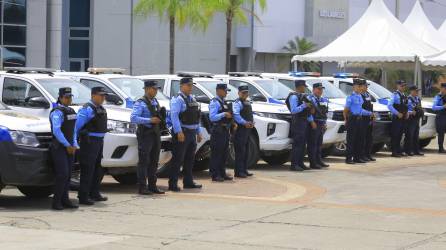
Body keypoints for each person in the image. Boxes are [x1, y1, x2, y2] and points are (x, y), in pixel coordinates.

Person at [130, 80, 165, 195]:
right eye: (154, 89)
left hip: (155, 133)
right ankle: (142, 187)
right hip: (145, 134)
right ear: (147, 89)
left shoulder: (155, 101)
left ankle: (152, 185)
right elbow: (133, 118)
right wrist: (149, 120)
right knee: (144, 161)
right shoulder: (140, 103)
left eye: (156, 89)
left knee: (154, 161)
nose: (156, 91)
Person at [75, 86, 109, 205]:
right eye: (101, 95)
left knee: (98, 169)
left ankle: (94, 193)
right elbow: (77, 127)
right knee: (88, 170)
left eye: (104, 96)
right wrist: (74, 142)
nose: (103, 98)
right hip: (89, 142)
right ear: (93, 95)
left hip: (99, 142)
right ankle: (83, 196)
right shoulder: (87, 109)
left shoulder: (100, 108)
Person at [169, 77, 203, 191]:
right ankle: (172, 184)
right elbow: (174, 116)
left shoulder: (192, 99)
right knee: (178, 159)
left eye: (191, 85)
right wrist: (179, 131)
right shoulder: (178, 99)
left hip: (192, 133)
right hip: (183, 132)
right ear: (181, 86)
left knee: (190, 159)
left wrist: (199, 132)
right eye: (188, 85)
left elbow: (196, 117)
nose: (190, 87)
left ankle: (188, 181)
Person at [49, 88, 79, 210]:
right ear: (60, 98)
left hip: (70, 147)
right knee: (62, 174)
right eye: (66, 97)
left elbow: (74, 130)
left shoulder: (71, 110)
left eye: (70, 97)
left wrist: (74, 144)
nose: (69, 99)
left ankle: (65, 200)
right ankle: (56, 202)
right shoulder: (57, 112)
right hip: (60, 147)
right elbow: (57, 130)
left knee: (68, 176)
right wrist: (67, 145)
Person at [285, 80, 313, 171]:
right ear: (299, 86)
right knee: (297, 144)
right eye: (303, 86)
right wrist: (304, 106)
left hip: (303, 121)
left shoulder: (302, 96)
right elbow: (293, 110)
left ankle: (300, 163)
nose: (304, 88)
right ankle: (294, 164)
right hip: (297, 122)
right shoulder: (293, 97)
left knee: (302, 144)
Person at [344, 78, 373, 164]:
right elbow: (346, 110)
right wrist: (346, 120)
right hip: (352, 119)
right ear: (354, 87)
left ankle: (357, 157)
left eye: (361, 86)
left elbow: (361, 110)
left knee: (359, 139)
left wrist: (369, 113)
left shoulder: (360, 96)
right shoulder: (350, 97)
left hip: (359, 119)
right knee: (351, 140)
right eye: (358, 86)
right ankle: (348, 158)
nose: (360, 88)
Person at [209, 83, 234, 182]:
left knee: (224, 153)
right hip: (217, 130)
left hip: (224, 130)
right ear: (219, 91)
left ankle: (222, 173)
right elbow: (212, 117)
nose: (226, 93)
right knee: (217, 153)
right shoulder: (215, 102)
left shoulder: (224, 102)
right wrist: (224, 114)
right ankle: (215, 175)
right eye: (225, 91)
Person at [233, 85, 255, 177]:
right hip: (241, 130)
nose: (245, 94)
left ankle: (244, 169)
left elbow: (249, 114)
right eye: (243, 93)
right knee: (240, 152)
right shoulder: (237, 103)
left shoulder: (247, 102)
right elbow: (236, 115)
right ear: (239, 93)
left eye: (246, 92)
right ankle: (239, 171)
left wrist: (252, 122)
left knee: (246, 151)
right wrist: (244, 123)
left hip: (248, 130)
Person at [307, 82, 330, 169]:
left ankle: (318, 160)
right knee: (313, 144)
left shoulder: (322, 99)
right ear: (313, 90)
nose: (320, 91)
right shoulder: (310, 99)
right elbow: (308, 112)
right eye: (319, 89)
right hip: (314, 123)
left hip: (321, 123)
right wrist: (312, 122)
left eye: (321, 89)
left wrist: (324, 123)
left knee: (319, 144)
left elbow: (324, 112)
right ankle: (313, 163)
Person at [388, 80, 409, 157]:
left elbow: (405, 105)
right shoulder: (394, 94)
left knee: (400, 135)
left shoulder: (404, 95)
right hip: (397, 117)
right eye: (401, 86)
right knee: (395, 135)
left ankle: (398, 150)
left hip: (403, 117)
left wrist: (407, 113)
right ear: (397, 86)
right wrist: (397, 113)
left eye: (404, 86)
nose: (403, 87)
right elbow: (389, 105)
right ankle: (394, 151)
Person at [405, 85, 424, 156]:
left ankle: (416, 150)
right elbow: (406, 109)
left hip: (417, 119)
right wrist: (411, 112)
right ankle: (408, 151)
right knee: (410, 135)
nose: (417, 92)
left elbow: (419, 107)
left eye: (417, 91)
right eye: (416, 91)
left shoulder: (418, 99)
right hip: (410, 119)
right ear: (411, 91)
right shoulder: (408, 99)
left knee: (416, 135)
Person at [360, 81, 376, 162]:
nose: (367, 87)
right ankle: (362, 155)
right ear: (361, 86)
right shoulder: (359, 96)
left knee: (369, 138)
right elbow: (360, 109)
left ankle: (368, 154)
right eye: (365, 86)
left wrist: (372, 115)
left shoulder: (368, 95)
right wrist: (369, 113)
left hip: (369, 118)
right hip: (363, 118)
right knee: (363, 138)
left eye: (367, 86)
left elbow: (370, 105)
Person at [432, 83, 446, 153]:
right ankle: (441, 148)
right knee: (441, 133)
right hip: (441, 116)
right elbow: (434, 107)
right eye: (444, 88)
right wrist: (443, 107)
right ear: (442, 88)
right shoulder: (438, 96)